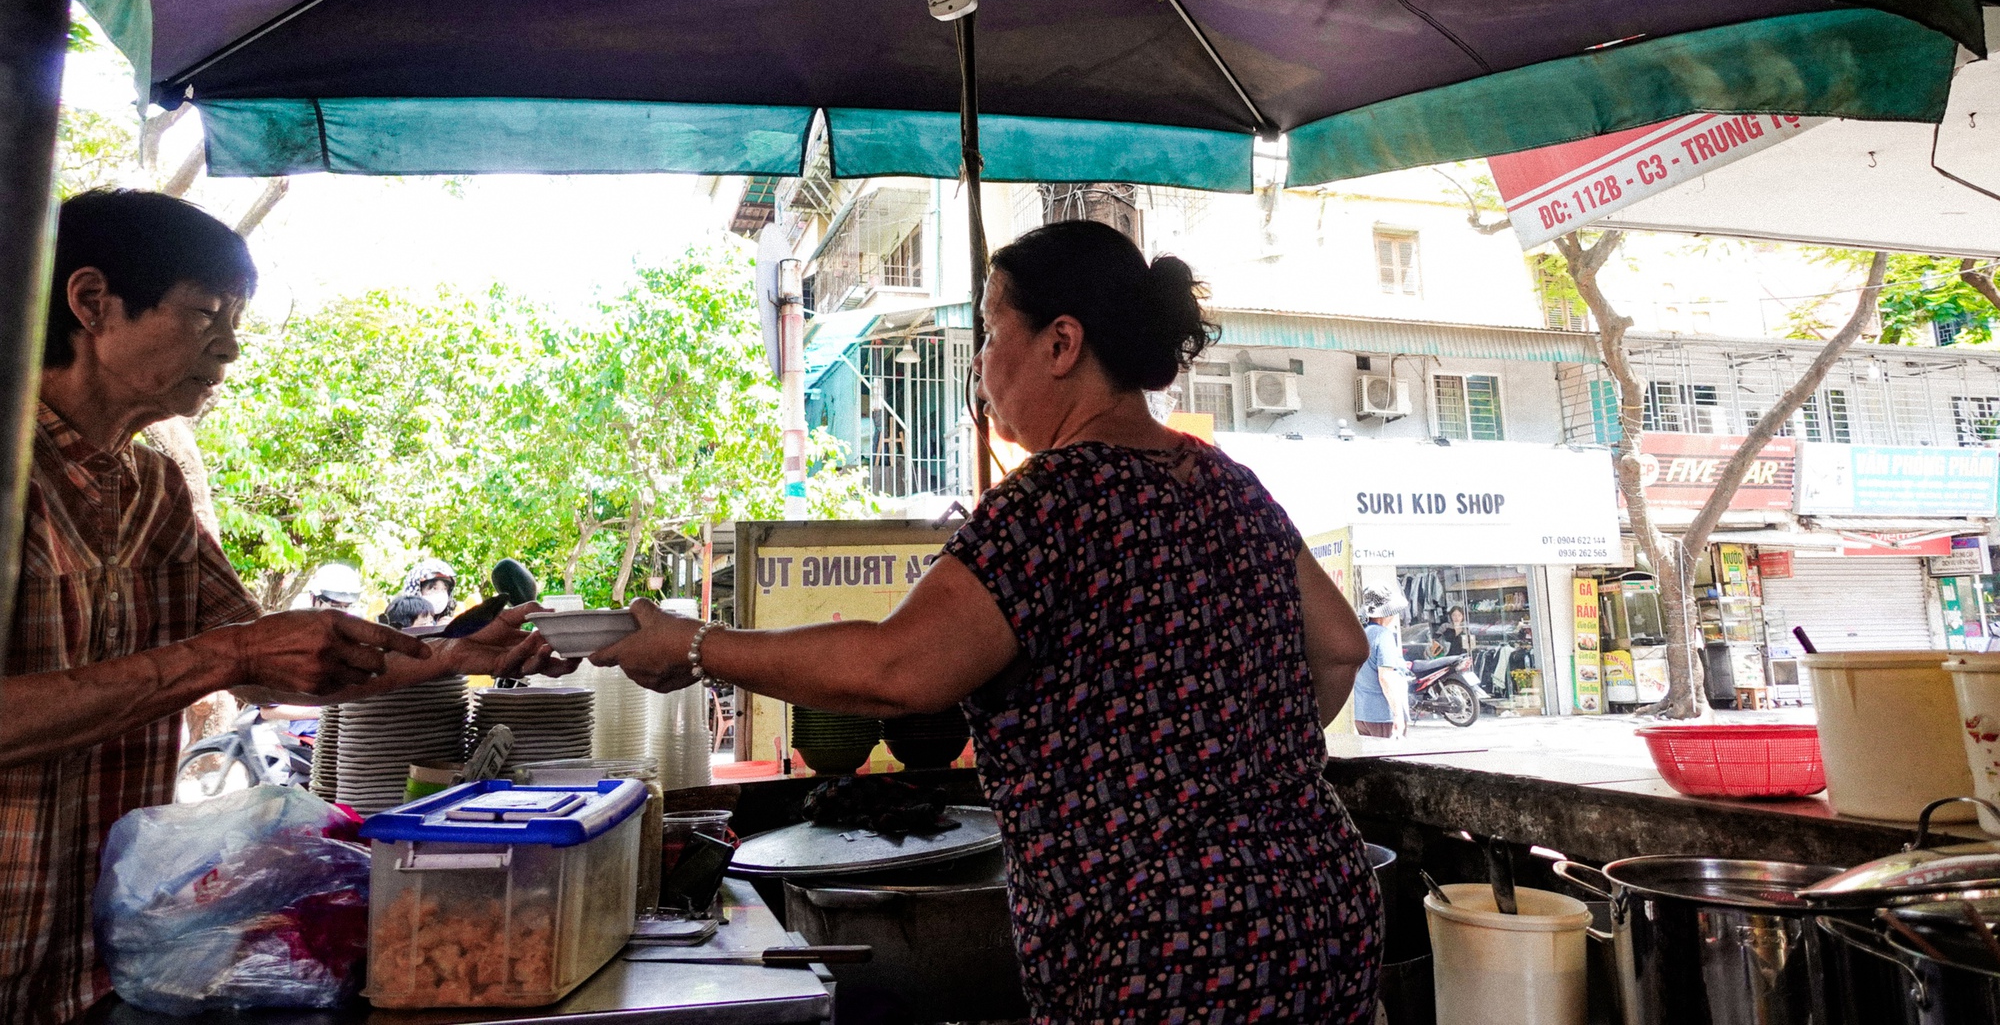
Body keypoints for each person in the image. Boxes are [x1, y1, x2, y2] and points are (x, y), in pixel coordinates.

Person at [592, 220, 1383, 1023]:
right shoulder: (1226, 482)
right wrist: (1235, 769)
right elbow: (1341, 649)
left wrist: (698, 645)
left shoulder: (1051, 502)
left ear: (1061, 343)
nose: (978, 360)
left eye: (990, 329)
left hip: (1163, 946)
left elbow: (896, 669)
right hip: (1325, 908)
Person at [0, 190, 573, 1024]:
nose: (229, 350)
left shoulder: (153, 489)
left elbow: (276, 667)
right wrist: (226, 658)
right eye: (206, 315)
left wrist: (449, 654)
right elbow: (237, 654)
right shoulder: (12, 478)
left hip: (93, 964)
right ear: (92, 302)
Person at [1353, 586, 1411, 739]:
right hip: (1383, 715)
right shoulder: (1383, 635)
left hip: (1361, 714)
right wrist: (1398, 714)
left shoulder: (1359, 634)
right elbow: (1385, 677)